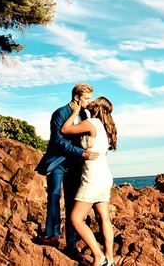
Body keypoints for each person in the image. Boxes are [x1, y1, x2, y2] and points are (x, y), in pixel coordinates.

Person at [34, 83, 98, 255]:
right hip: (58, 162)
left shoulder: (86, 114)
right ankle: (52, 235)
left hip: (76, 164)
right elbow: (58, 141)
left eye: (90, 98)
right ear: (76, 97)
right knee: (54, 196)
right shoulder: (59, 113)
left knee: (73, 201)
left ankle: (72, 244)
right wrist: (81, 152)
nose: (89, 102)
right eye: (86, 98)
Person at [62, 97, 118, 266]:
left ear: (97, 106)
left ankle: (99, 256)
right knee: (104, 218)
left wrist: (74, 113)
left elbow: (65, 129)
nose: (90, 101)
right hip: (105, 175)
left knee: (75, 218)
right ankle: (110, 259)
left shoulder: (91, 122)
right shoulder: (106, 126)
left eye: (93, 100)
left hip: (93, 176)